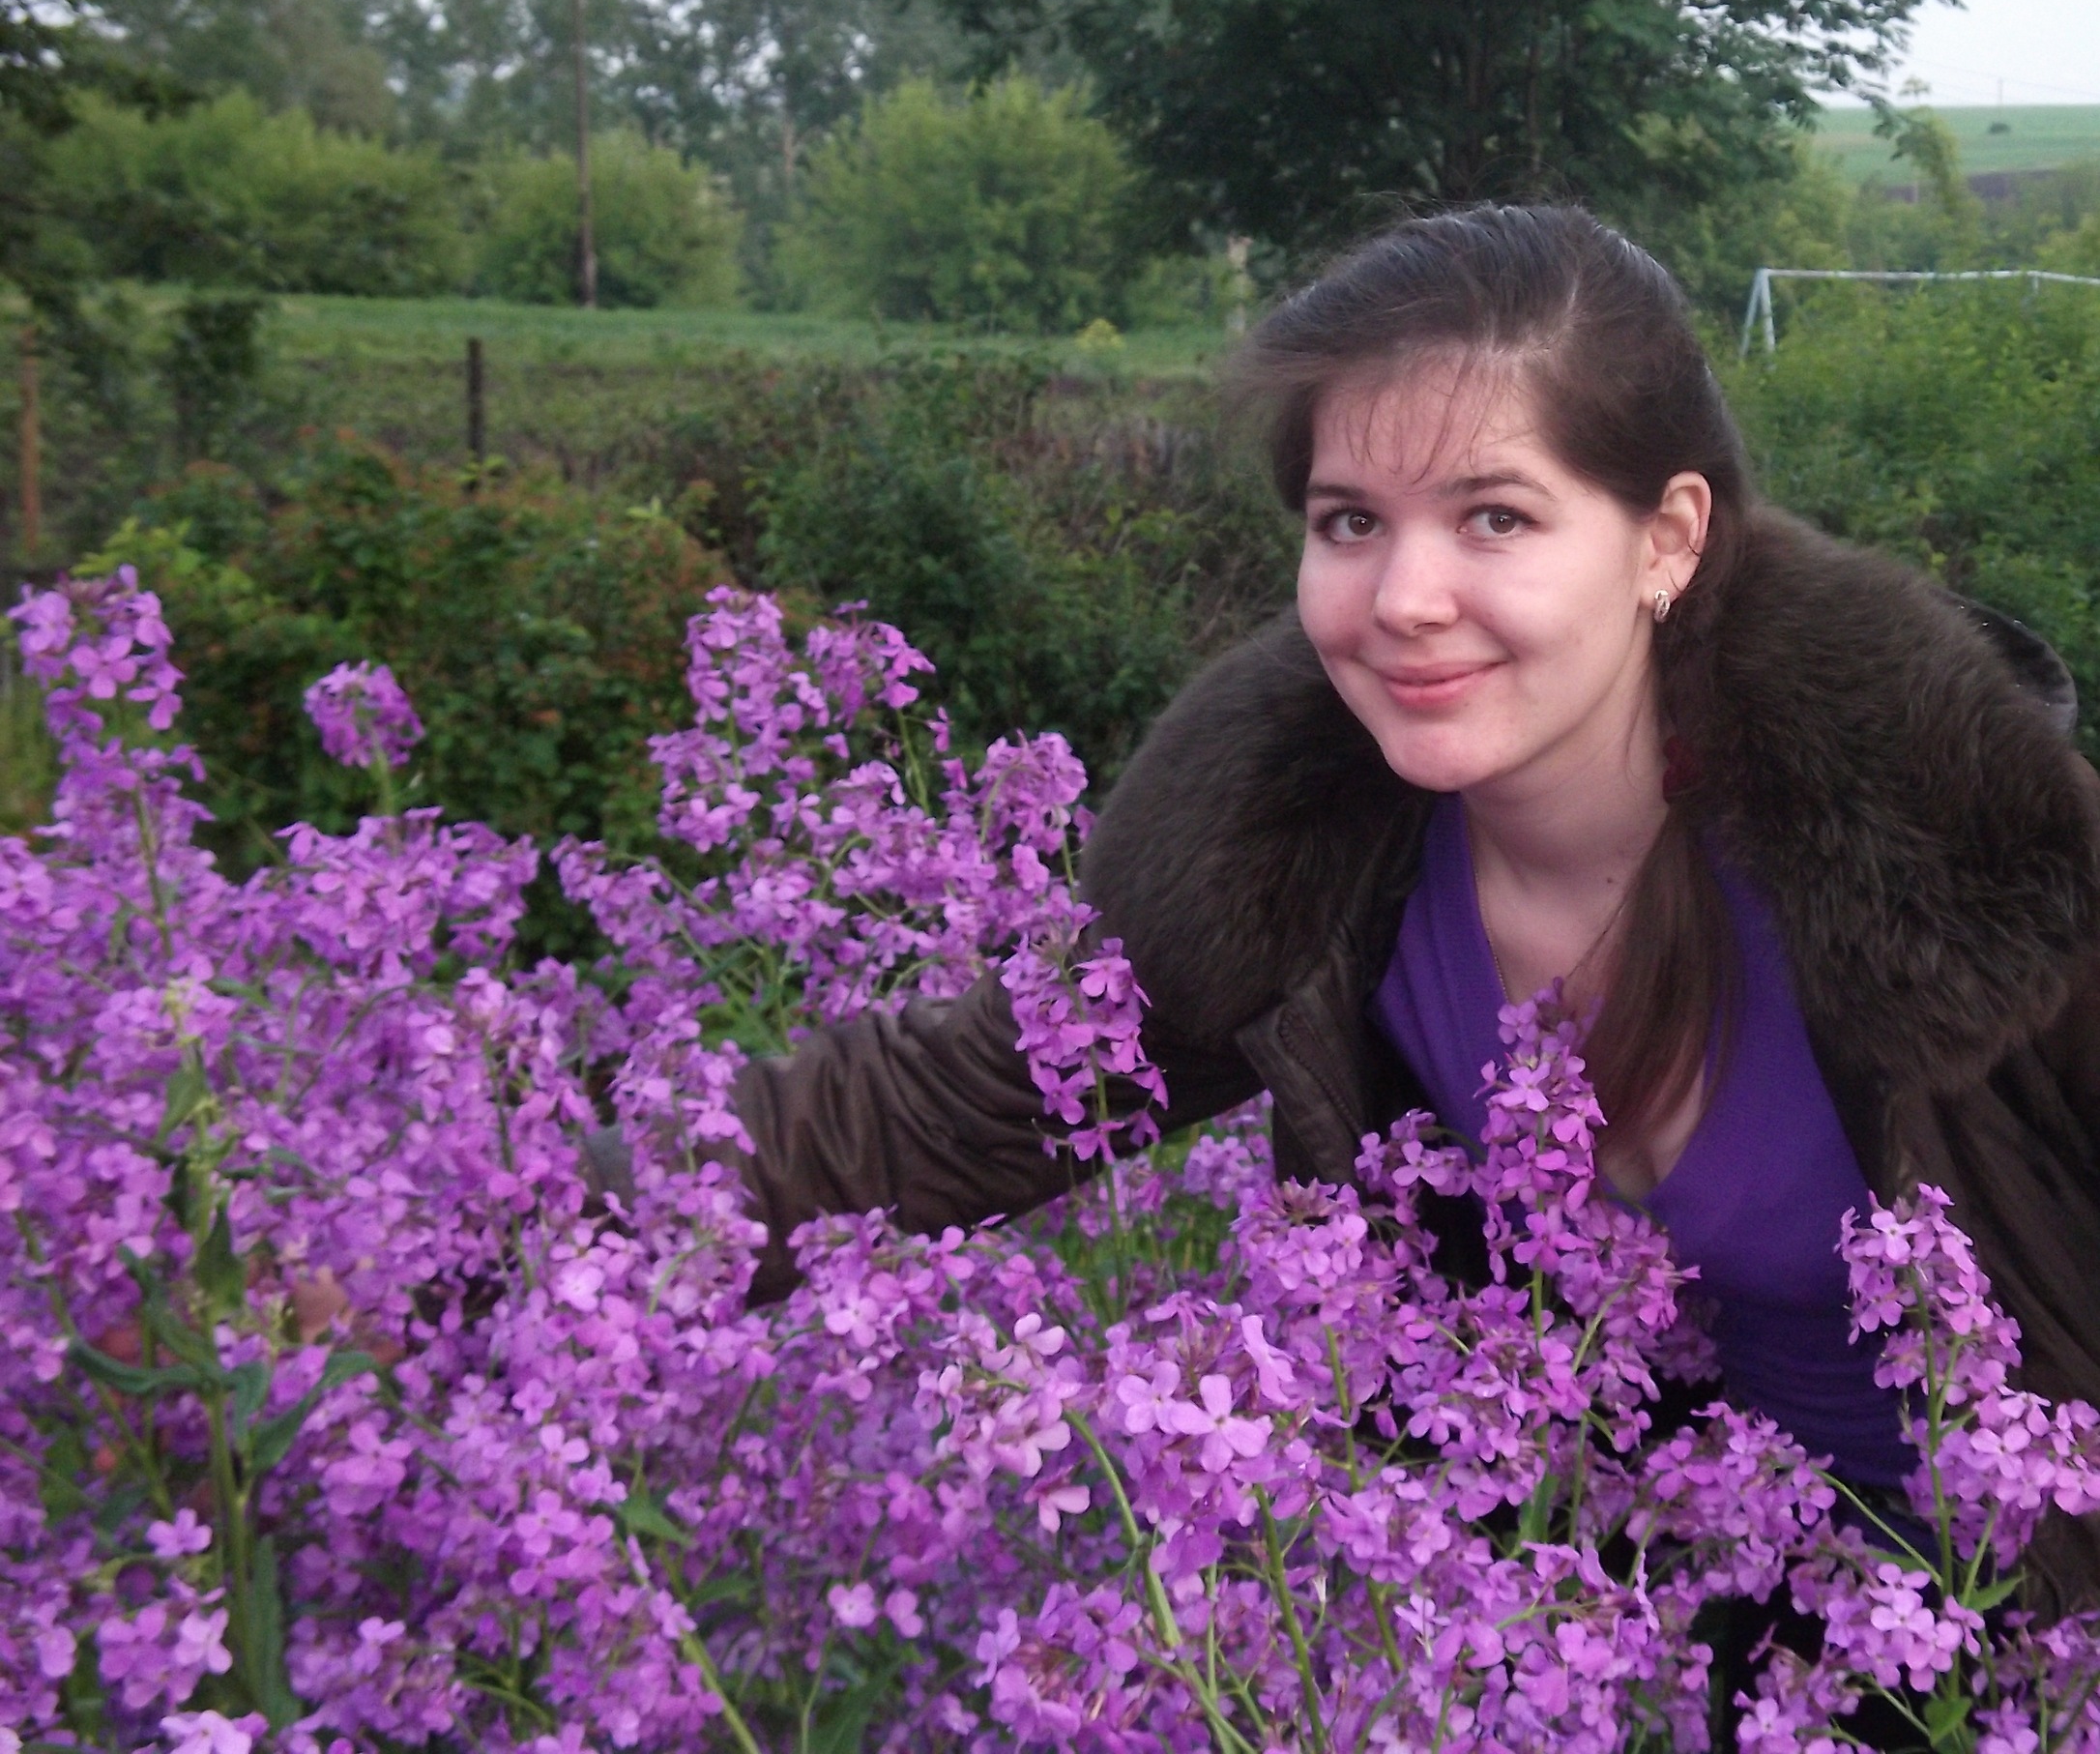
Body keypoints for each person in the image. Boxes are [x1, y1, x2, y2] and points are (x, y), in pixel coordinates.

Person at [724, 204, 2100, 1613]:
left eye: (1496, 516)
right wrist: (609, 1217)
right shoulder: (1301, 857)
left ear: (1667, 540)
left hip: (2032, 1620)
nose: (1404, 599)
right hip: (1611, 1615)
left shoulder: (1978, 862)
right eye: (1350, 523)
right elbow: (944, 1107)